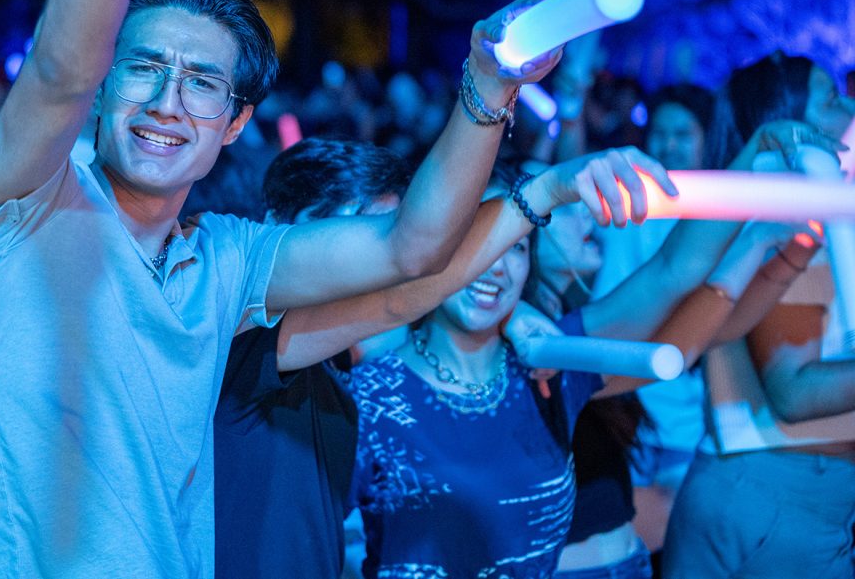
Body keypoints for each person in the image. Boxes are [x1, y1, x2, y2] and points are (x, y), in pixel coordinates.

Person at [0, 0, 604, 579]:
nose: (165, 103)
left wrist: (489, 91)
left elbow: (411, 250)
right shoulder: (25, 207)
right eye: (144, 68)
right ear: (105, 90)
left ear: (233, 122)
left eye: (201, 83)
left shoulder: (223, 262)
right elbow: (57, 71)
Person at [345, 112, 825, 579]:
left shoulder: (547, 368)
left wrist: (751, 160)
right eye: (477, 245)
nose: (495, 266)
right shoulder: (371, 397)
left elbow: (672, 272)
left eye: (514, 248)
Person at [213, 139, 674, 579]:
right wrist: (545, 188)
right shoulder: (250, 346)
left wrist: (512, 315)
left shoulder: (346, 365)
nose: (363, 265)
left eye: (379, 243)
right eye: (346, 234)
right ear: (276, 226)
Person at [663, 53, 855, 579]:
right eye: (831, 98)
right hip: (774, 494)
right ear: (788, 118)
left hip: (789, 496)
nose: (850, 106)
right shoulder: (785, 219)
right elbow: (794, 391)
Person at [592, 83, 715, 562]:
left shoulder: (721, 214)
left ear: (708, 138)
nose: (669, 145)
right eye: (659, 133)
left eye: (683, 133)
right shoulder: (632, 205)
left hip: (693, 424)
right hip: (631, 417)